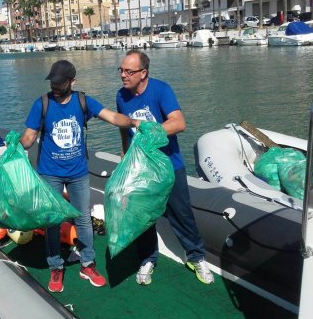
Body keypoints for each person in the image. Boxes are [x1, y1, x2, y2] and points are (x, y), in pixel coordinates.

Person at [20, 60, 139, 293]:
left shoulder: (83, 101)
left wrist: (135, 122)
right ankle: (56, 265)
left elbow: (113, 118)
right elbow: (29, 137)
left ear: (72, 82)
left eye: (60, 82)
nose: (55, 86)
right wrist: (18, 142)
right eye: (52, 81)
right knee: (53, 220)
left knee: (83, 219)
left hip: (78, 173)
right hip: (49, 172)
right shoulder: (41, 104)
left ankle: (88, 264)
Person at [115, 49, 214, 286]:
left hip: (170, 165)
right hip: (141, 168)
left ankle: (196, 257)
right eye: (121, 70)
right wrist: (125, 153)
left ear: (143, 73)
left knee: (182, 214)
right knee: (143, 217)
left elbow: (179, 123)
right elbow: (124, 126)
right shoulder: (121, 95)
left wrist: (149, 130)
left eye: (129, 71)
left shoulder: (161, 90)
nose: (123, 75)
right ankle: (147, 259)